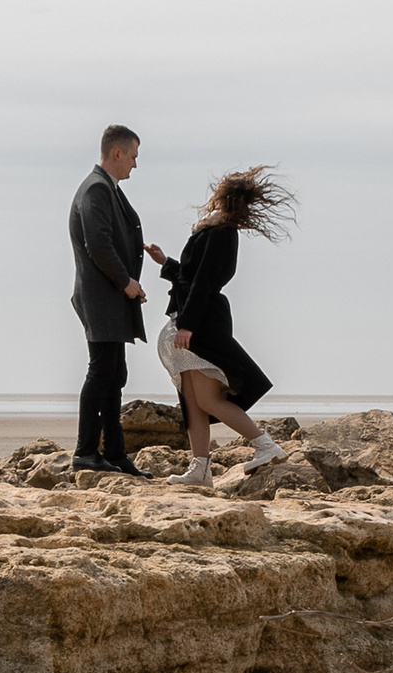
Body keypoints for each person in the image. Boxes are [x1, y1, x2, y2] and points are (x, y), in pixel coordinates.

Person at [158, 166, 293, 488]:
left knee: (207, 400)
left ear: (223, 196)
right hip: (197, 317)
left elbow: (204, 282)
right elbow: (193, 278)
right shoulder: (213, 230)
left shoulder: (221, 233)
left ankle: (265, 445)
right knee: (192, 402)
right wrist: (166, 264)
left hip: (203, 323)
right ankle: (200, 469)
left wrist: (187, 325)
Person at [67, 125, 165, 480]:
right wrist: (127, 283)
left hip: (109, 298)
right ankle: (85, 451)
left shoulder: (106, 189)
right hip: (102, 297)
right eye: (134, 156)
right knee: (101, 371)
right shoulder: (95, 189)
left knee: (114, 374)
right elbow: (99, 244)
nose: (135, 165)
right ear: (117, 153)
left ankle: (114, 453)